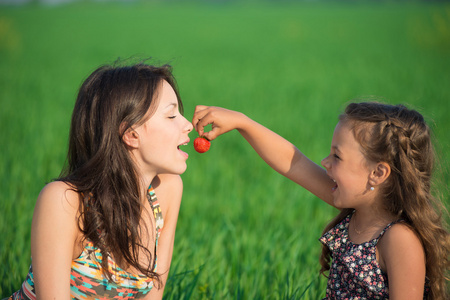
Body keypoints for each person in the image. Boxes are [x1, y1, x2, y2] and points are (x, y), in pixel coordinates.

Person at [192, 102, 449, 299]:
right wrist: (242, 122)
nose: (325, 162)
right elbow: (294, 163)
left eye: (337, 156)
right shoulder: (355, 208)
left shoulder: (399, 239)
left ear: (378, 173)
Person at [6, 62, 193, 299]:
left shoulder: (167, 191)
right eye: (171, 115)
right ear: (131, 134)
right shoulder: (64, 201)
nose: (187, 125)